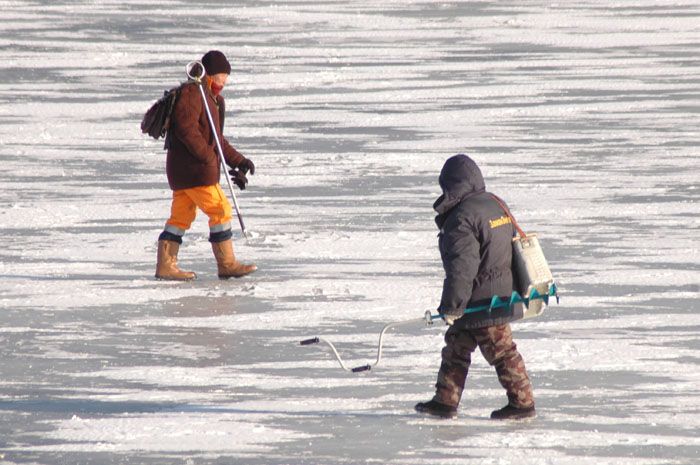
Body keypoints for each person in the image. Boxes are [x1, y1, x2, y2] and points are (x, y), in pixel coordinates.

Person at [415, 154, 535, 420]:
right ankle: (445, 400)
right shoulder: (495, 204)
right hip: (499, 292)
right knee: (457, 346)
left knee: (501, 351)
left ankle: (523, 404)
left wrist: (452, 306)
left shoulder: (462, 217)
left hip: (481, 300)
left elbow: (462, 267)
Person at [155, 50, 257, 281]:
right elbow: (186, 129)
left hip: (186, 173)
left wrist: (239, 161)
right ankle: (227, 264)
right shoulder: (192, 93)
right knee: (220, 209)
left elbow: (217, 139)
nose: (225, 81)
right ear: (211, 73)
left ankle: (166, 266)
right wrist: (208, 157)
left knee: (180, 217)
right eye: (223, 75)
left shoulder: (212, 98)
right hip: (194, 171)